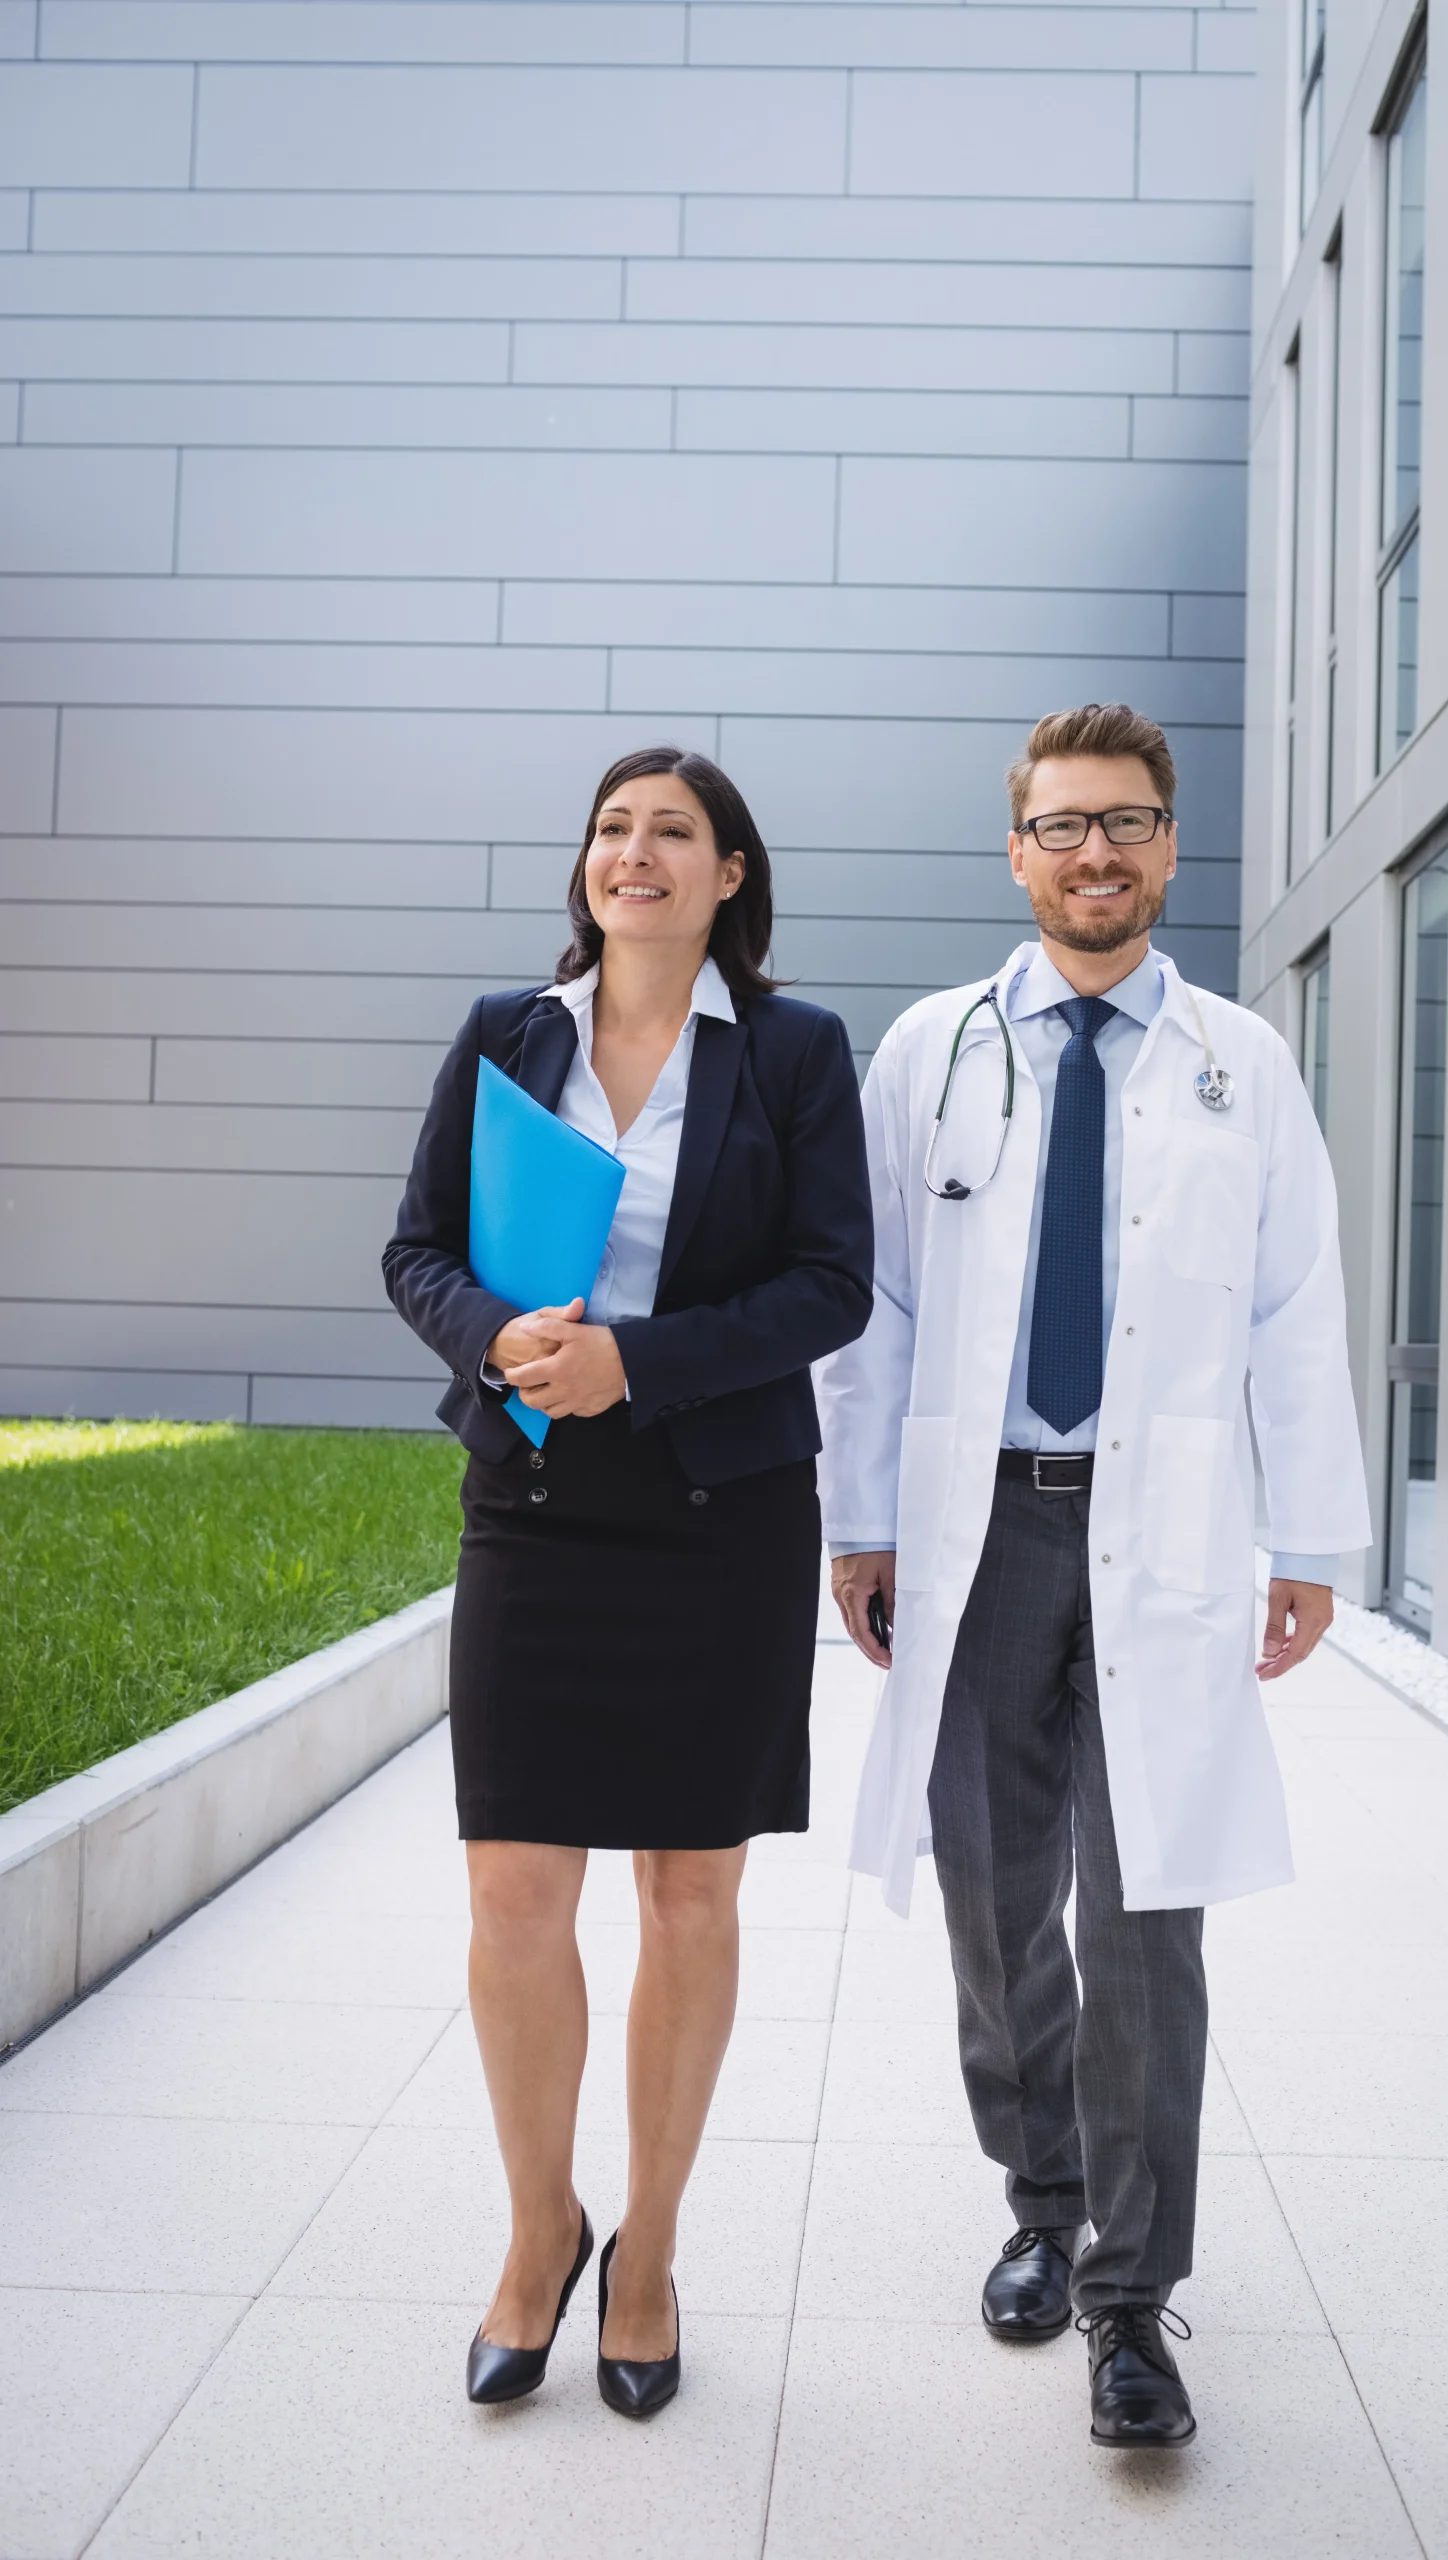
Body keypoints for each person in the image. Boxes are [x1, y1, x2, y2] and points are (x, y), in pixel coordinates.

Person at [817, 703, 1370, 2451]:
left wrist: (1313, 1541)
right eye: (1062, 825)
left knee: (1146, 1912)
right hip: (976, 1527)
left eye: (1126, 823)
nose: (1095, 853)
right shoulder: (932, 1050)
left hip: (1174, 1533)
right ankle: (1041, 2204)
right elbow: (876, 1311)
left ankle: (1131, 2298)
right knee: (992, 1895)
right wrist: (860, 1517)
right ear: (1016, 851)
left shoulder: (1239, 1063)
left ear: (1168, 848)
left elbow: (1297, 1309)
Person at [384, 746, 873, 2419]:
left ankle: (647, 2250)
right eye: (612, 829)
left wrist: (636, 1364)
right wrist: (496, 1337)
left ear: (731, 874)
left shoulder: (797, 1052)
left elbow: (831, 1288)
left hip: (718, 1514)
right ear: (584, 866)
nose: (635, 853)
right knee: (514, 1894)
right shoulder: (505, 1034)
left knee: (689, 1894)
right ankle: (542, 2234)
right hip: (528, 1499)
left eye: (674, 832)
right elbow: (413, 1251)